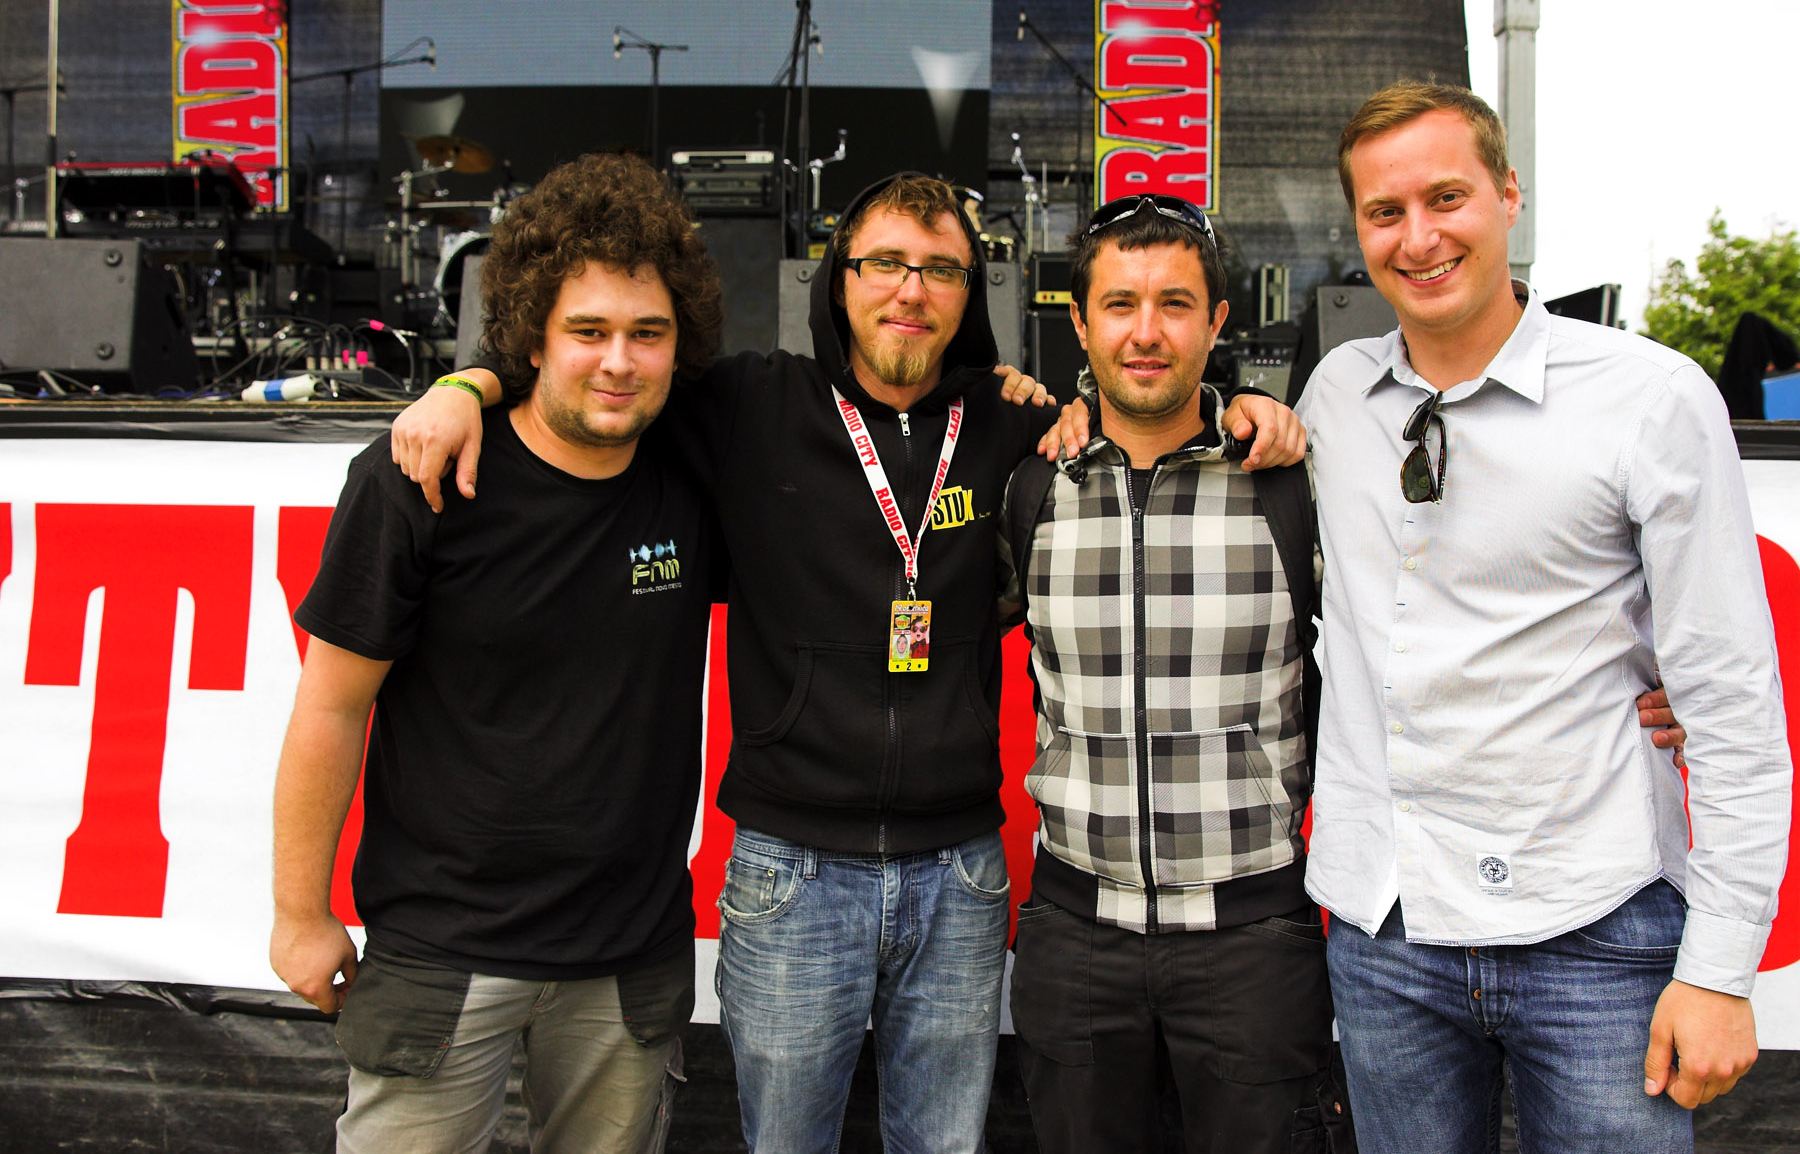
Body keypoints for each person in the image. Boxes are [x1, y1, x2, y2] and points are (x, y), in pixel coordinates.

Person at [386, 171, 1306, 1153]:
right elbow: (609, 372)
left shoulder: (1015, 429)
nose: (912, 289)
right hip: (792, 874)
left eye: (941, 269)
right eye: (885, 263)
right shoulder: (748, 403)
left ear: (970, 293)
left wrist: (1244, 401)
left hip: (959, 875)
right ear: (838, 279)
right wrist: (467, 384)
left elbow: (1141, 406)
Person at [1297, 82, 1789, 1152]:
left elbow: (1732, 702)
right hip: (1386, 931)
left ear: (1509, 195)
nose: (1419, 238)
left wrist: (1720, 969)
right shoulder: (1333, 395)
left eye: (1447, 198)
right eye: (1385, 212)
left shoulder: (1651, 398)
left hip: (1598, 933)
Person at [269, 152, 722, 1154]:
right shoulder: (415, 479)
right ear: (531, 335)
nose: (619, 361)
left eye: (647, 333)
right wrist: (299, 914)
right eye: (587, 331)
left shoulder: (695, 469)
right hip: (440, 948)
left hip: (628, 955)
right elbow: (331, 706)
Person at [998, 194, 1348, 1153]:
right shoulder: (1033, 485)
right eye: (1119, 304)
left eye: (1175, 304)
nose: (1145, 332)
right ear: (1079, 322)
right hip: (1075, 933)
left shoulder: (1292, 481)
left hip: (1253, 938)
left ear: (1218, 320)